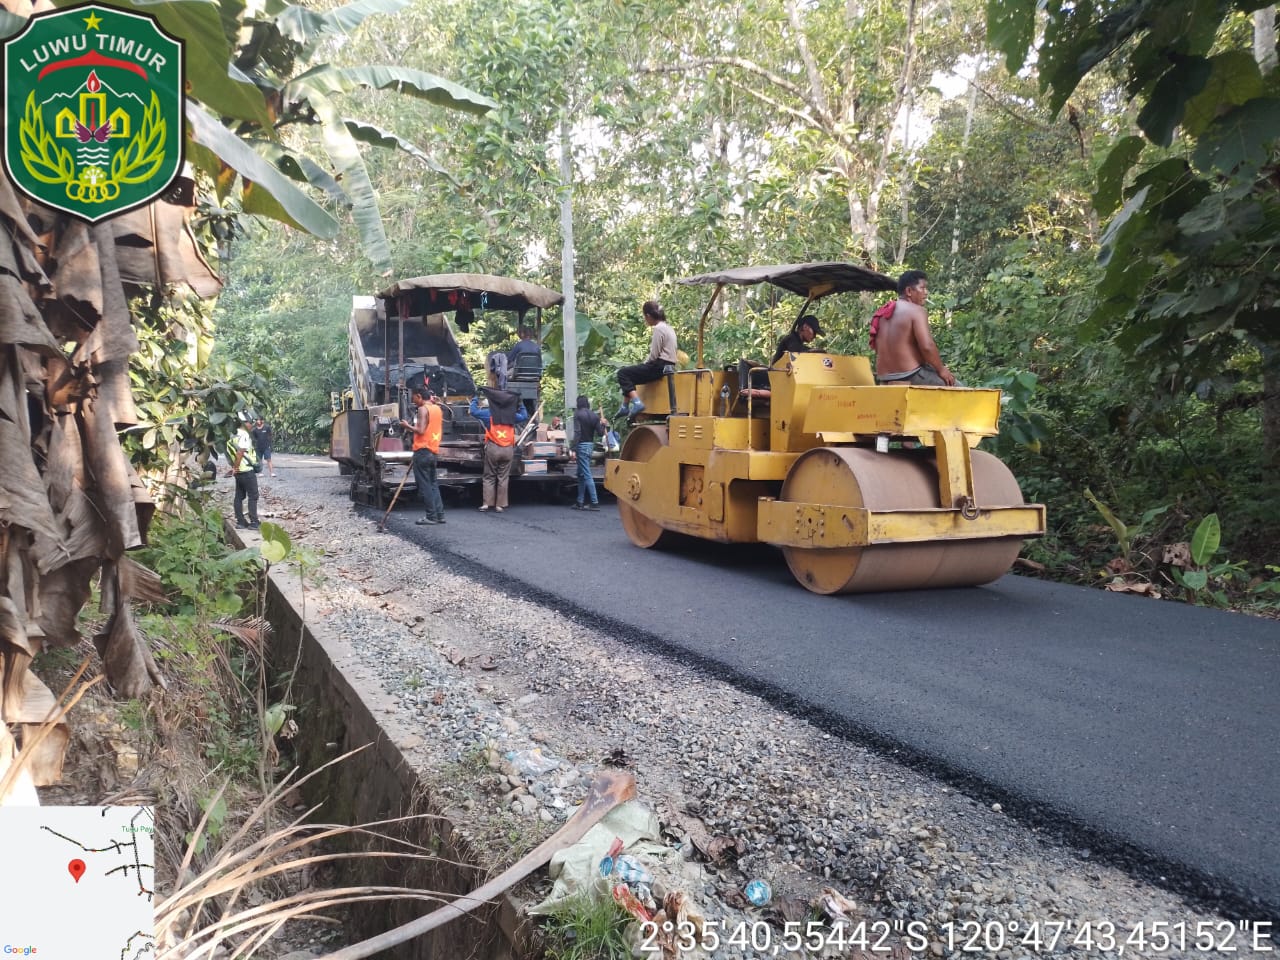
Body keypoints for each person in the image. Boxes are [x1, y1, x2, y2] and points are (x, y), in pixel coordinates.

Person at [874, 270, 956, 386]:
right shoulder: (916, 311)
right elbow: (927, 346)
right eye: (922, 288)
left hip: (883, 378)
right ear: (909, 291)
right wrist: (941, 369)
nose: (926, 293)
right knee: (963, 391)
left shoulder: (882, 312)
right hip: (910, 375)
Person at [616, 300, 677, 418]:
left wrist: (643, 364)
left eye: (645, 317)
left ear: (648, 316)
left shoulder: (659, 329)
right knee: (631, 375)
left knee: (623, 373)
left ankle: (637, 403)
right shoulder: (668, 327)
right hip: (669, 366)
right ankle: (624, 406)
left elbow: (654, 355)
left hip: (659, 366)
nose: (645, 320)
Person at [399, 387, 445, 525]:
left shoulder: (423, 409)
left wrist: (406, 426)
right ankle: (439, 515)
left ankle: (431, 516)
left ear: (419, 396)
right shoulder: (437, 409)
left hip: (422, 450)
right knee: (433, 483)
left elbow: (420, 430)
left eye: (414, 398)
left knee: (424, 484)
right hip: (433, 449)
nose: (413, 401)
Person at [473, 386, 521, 513]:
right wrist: (520, 404)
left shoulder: (488, 414)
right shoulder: (512, 415)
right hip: (508, 449)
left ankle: (486, 504)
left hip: (493, 448)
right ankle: (500, 505)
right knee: (503, 477)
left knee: (489, 476)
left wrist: (475, 398)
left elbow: (473, 411)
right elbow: (524, 415)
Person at [570, 396, 608, 511]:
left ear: (578, 404)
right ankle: (579, 501)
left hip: (581, 446)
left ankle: (594, 502)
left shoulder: (578, 414)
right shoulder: (594, 416)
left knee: (586, 473)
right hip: (590, 446)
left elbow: (578, 432)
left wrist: (573, 448)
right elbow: (601, 433)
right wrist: (604, 424)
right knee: (581, 474)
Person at [226, 416, 259, 530]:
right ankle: (254, 522)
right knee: (253, 496)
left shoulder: (232, 435)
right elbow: (240, 452)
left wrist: (234, 468)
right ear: (245, 423)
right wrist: (235, 467)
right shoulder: (244, 435)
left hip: (239, 472)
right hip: (246, 470)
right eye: (251, 423)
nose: (252, 426)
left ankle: (240, 522)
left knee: (239, 496)